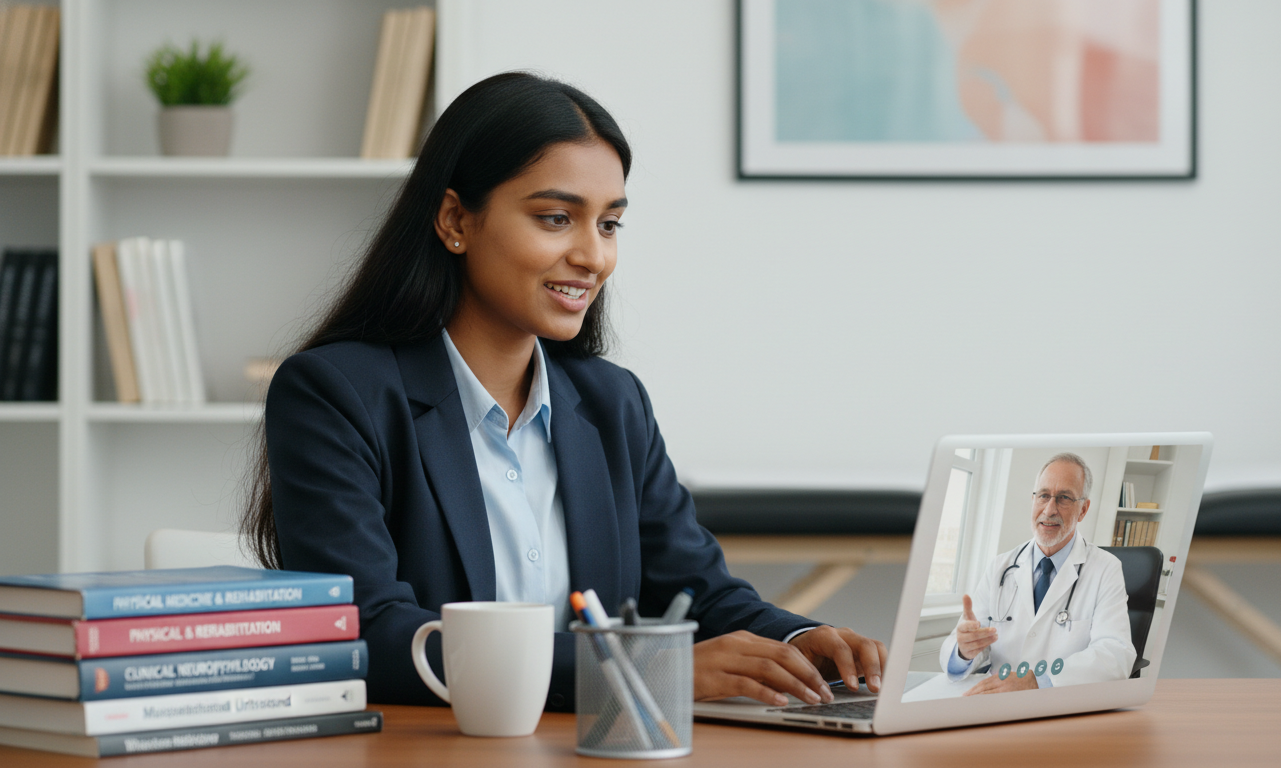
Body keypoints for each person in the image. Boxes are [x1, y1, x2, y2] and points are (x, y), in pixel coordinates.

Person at [241, 72, 886, 711]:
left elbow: (699, 592)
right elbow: (368, 631)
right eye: (556, 218)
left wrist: (802, 640)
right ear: (455, 219)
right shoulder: (334, 395)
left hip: (591, 748)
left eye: (609, 224)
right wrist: (641, 668)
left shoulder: (614, 403)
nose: (593, 257)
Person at [939, 453, 1135, 694]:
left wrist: (1038, 682)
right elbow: (961, 649)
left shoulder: (1106, 569)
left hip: (1059, 702)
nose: (1049, 509)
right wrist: (964, 651)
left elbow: (1116, 654)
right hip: (997, 701)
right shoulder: (1000, 567)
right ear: (1033, 500)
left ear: (1083, 509)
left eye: (1064, 498)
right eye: (1043, 496)